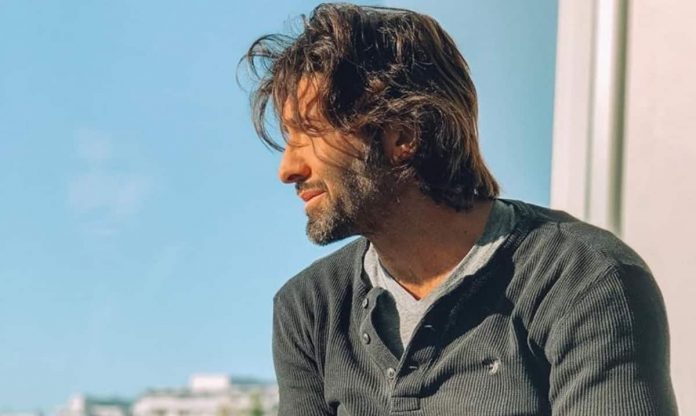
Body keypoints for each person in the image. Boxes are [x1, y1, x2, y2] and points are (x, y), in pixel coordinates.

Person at [241, 3, 677, 415]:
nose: (287, 169)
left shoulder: (583, 278)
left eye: (309, 134)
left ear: (403, 136)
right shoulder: (310, 308)